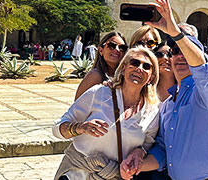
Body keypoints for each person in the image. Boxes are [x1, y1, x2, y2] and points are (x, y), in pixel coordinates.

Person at [120, 0, 208, 180]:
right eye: (175, 52)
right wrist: (137, 164)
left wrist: (175, 33)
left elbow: (203, 68)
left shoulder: (206, 89)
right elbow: (165, 149)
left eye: (185, 51)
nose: (180, 56)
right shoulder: (168, 104)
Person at [53, 46, 160, 180]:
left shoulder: (152, 111)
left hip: (112, 176)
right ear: (123, 69)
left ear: (151, 78)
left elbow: (148, 143)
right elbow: (57, 128)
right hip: (77, 173)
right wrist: (81, 127)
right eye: (134, 63)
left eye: (146, 67)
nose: (139, 68)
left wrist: (140, 151)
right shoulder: (99, 93)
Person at [75, 32, 128, 101]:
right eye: (111, 46)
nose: (117, 50)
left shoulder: (124, 76)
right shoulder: (95, 76)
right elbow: (78, 106)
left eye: (122, 48)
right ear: (101, 50)